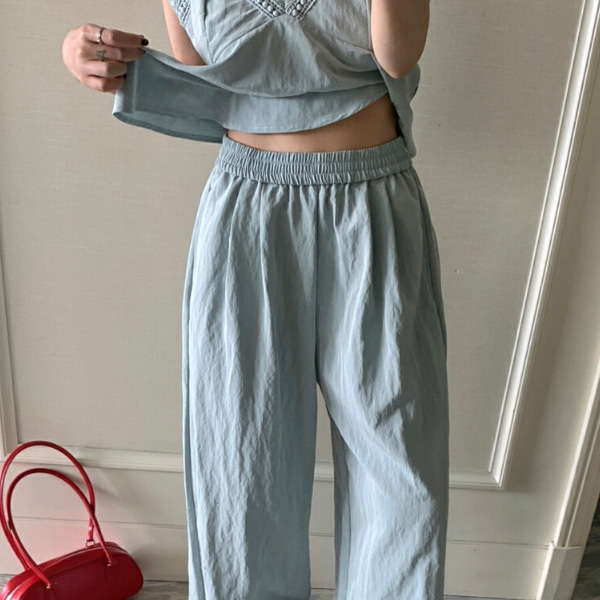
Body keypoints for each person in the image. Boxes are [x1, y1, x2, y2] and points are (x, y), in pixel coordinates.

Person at [62, 1, 449, 598]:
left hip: (372, 206)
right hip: (248, 214)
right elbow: (212, 80)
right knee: (241, 466)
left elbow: (398, 54)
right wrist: (87, 54)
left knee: (401, 471)